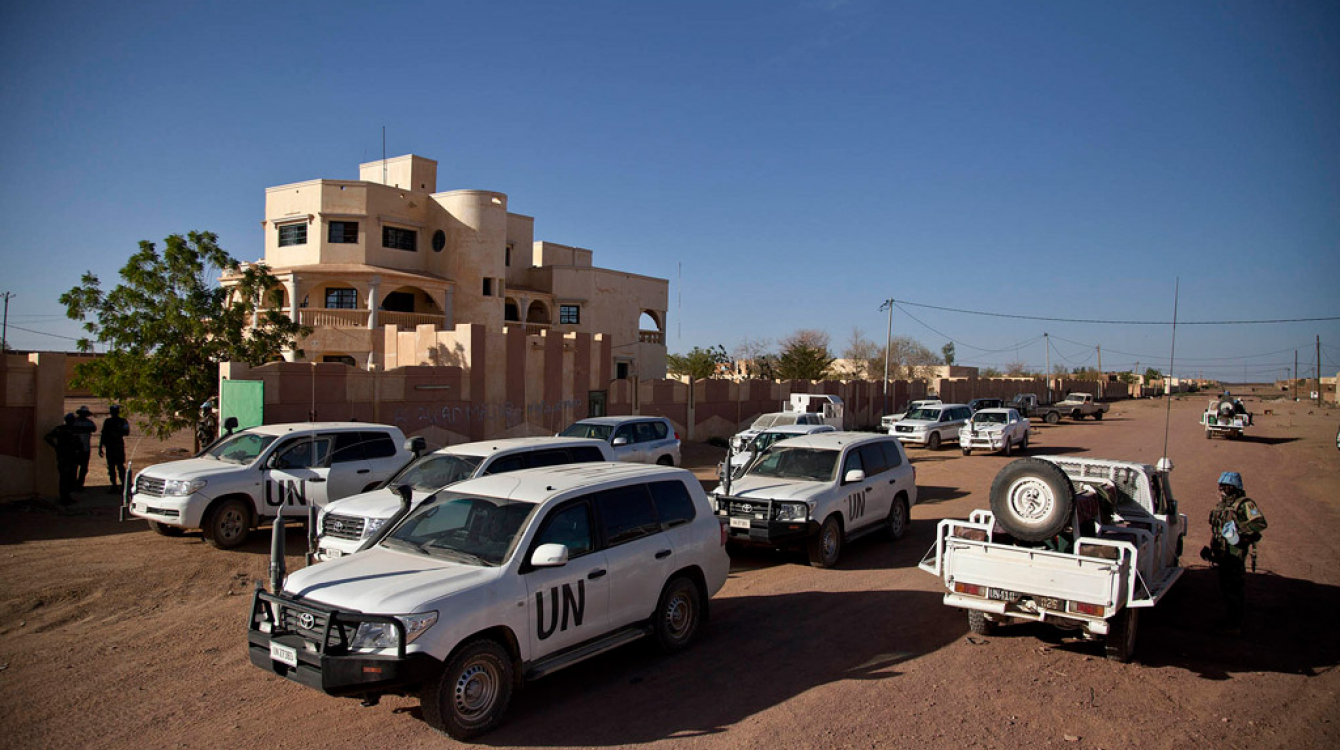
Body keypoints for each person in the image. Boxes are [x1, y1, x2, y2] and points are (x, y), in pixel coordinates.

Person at [1200, 471, 1268, 634]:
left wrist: (1241, 534)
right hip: (1222, 552)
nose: (1223, 488)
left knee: (1234, 588)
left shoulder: (1244, 504)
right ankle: (1230, 620)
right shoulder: (1222, 505)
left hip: (1235, 553)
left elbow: (1259, 524)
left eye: (1227, 485)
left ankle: (1235, 624)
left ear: (1235, 487)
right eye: (1222, 485)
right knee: (1225, 587)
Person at [44, 413, 82, 505]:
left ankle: (66, 496)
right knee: (65, 478)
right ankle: (64, 498)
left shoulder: (62, 429)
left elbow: (78, 443)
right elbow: (47, 437)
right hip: (66, 457)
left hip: (69, 456)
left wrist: (56, 447)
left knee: (69, 478)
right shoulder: (64, 429)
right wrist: (56, 447)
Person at [99, 404, 131, 493]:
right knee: (112, 467)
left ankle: (122, 485)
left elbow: (126, 432)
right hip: (111, 446)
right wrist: (100, 446)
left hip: (117, 446)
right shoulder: (109, 422)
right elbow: (103, 434)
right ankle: (115, 485)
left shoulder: (121, 421)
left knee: (119, 466)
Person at [71, 405, 97, 489]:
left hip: (84, 448)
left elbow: (93, 429)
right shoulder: (86, 423)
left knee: (83, 467)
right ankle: (75, 484)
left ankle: (79, 484)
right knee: (75, 467)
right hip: (77, 448)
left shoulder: (87, 423)